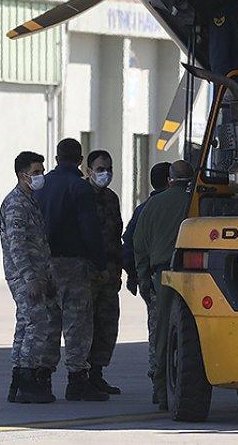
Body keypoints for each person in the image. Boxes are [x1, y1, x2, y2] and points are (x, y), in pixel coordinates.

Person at [36, 138, 108, 402]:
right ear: (80, 160)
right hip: (72, 263)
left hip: (45, 263)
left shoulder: (42, 187)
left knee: (50, 322)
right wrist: (100, 263)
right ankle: (77, 379)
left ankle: (42, 377)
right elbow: (89, 229)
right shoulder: (79, 187)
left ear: (56, 159)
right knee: (77, 323)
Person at [0, 151, 61, 404]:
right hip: (24, 275)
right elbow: (17, 246)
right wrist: (30, 278)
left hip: (37, 273)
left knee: (27, 324)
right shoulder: (15, 204)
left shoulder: (29, 200)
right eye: (35, 172)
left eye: (41, 171)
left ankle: (19, 381)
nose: (40, 176)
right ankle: (27, 380)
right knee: (36, 324)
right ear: (21, 174)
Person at [132, 159, 194, 409]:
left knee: (160, 337)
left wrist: (144, 280)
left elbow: (139, 246)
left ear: (170, 179)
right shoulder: (197, 203)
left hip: (162, 276)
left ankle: (161, 391)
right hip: (195, 276)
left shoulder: (153, 205)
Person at [121, 161, 172, 383]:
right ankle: (165, 377)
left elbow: (130, 243)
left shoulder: (145, 208)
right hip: (163, 276)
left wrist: (134, 275)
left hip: (151, 278)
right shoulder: (182, 205)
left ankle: (158, 378)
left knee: (156, 331)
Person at [85, 149, 122, 395]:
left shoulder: (111, 198)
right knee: (85, 325)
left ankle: (97, 373)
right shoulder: (81, 196)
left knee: (107, 324)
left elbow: (116, 235)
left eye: (108, 169)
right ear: (88, 171)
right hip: (87, 273)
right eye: (100, 169)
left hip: (110, 272)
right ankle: (80, 375)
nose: (105, 174)